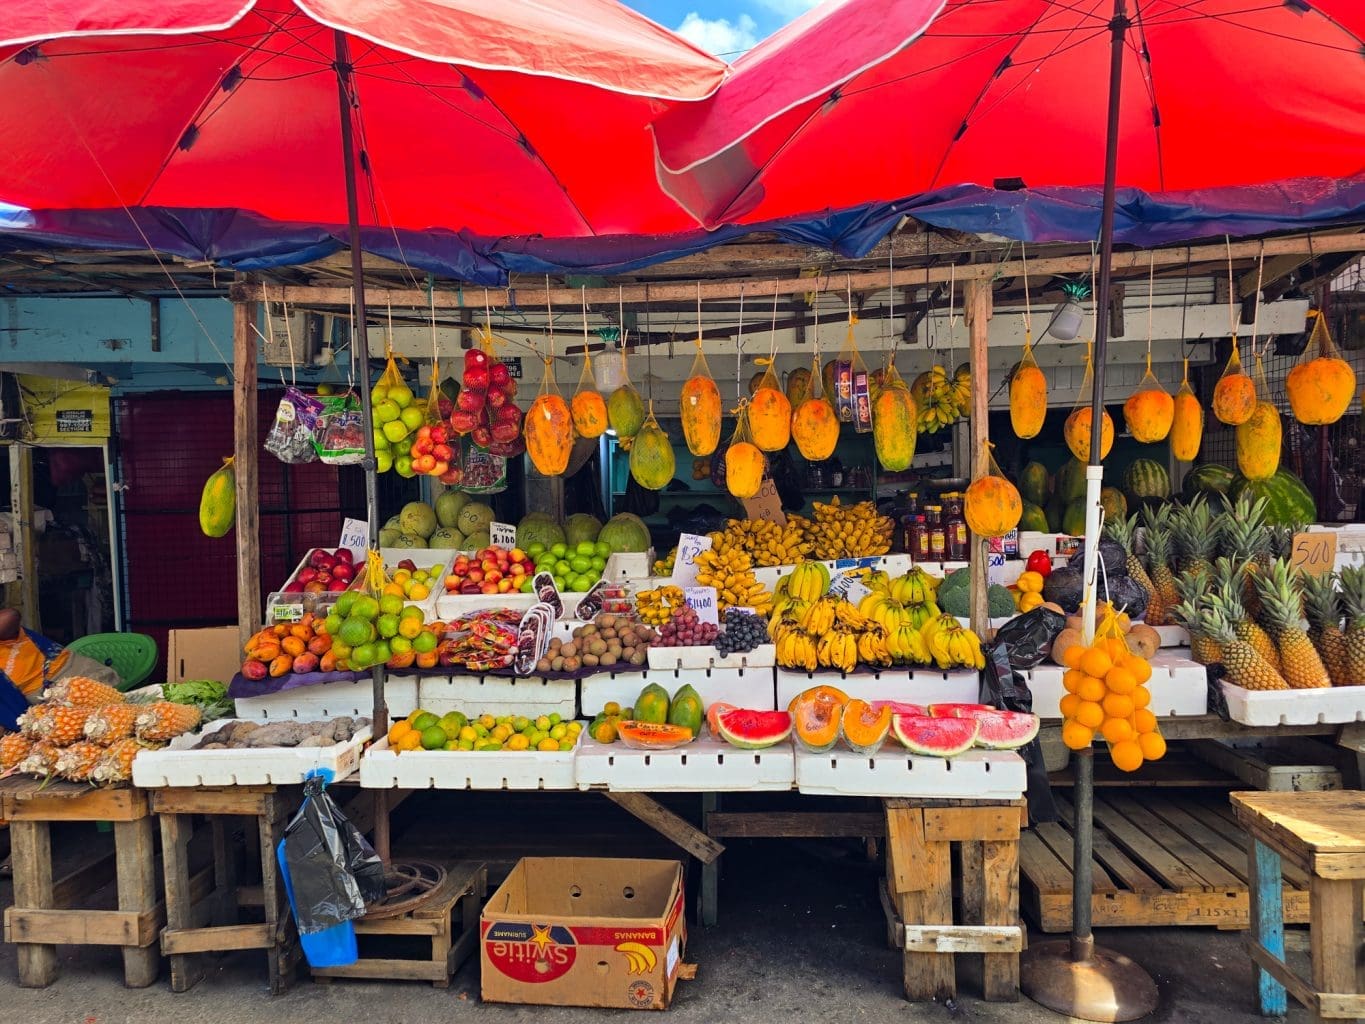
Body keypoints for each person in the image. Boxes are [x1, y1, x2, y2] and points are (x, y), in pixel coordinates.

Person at [0, 607, 120, 731]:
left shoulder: (5, 631)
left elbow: (11, 615)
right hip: (40, 705)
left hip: (69, 673)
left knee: (111, 715)